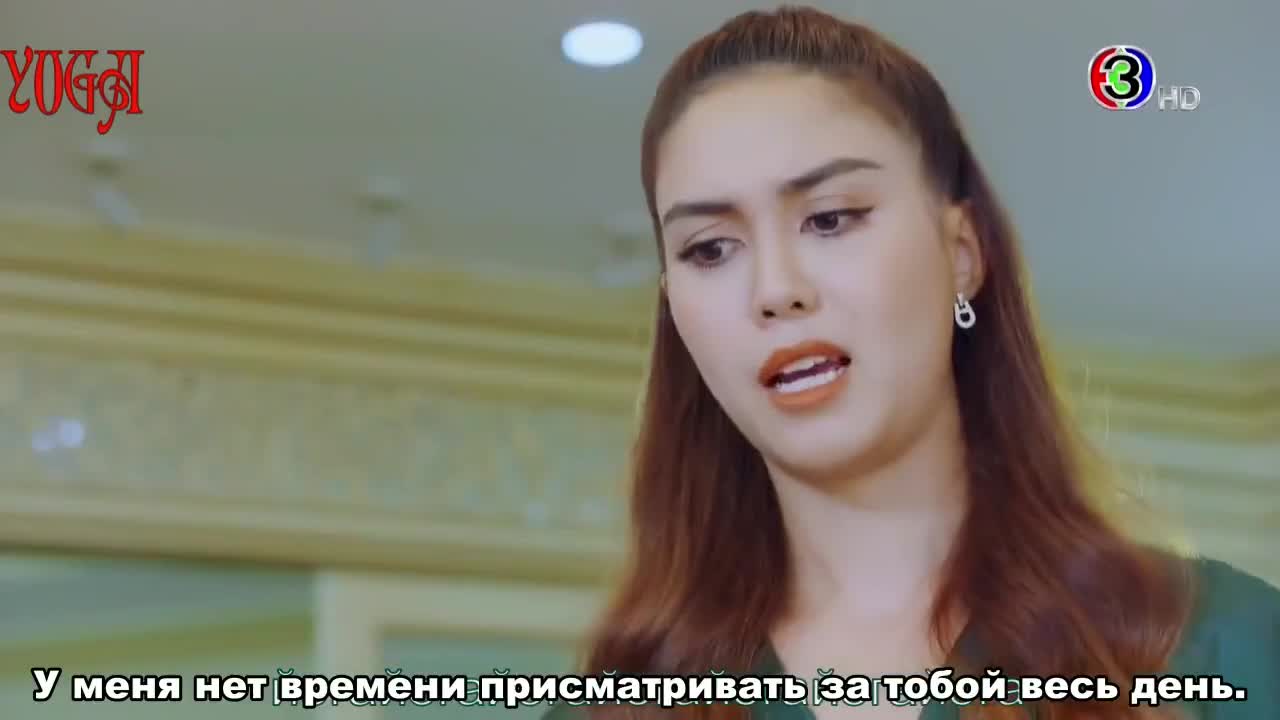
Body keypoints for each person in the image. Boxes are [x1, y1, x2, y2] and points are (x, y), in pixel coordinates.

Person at [543, 6, 1279, 720]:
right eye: (710, 249)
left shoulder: (1224, 642)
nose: (774, 290)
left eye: (830, 219)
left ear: (961, 254)